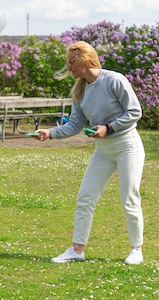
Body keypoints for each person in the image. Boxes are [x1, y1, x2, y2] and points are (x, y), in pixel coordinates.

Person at [36, 41, 145, 264]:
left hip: (127, 146)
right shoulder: (80, 90)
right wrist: (50, 132)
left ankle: (136, 249)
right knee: (85, 198)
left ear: (84, 60)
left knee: (129, 198)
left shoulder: (114, 80)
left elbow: (135, 111)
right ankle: (77, 250)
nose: (69, 68)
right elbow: (75, 124)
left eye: (71, 63)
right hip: (103, 151)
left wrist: (109, 127)